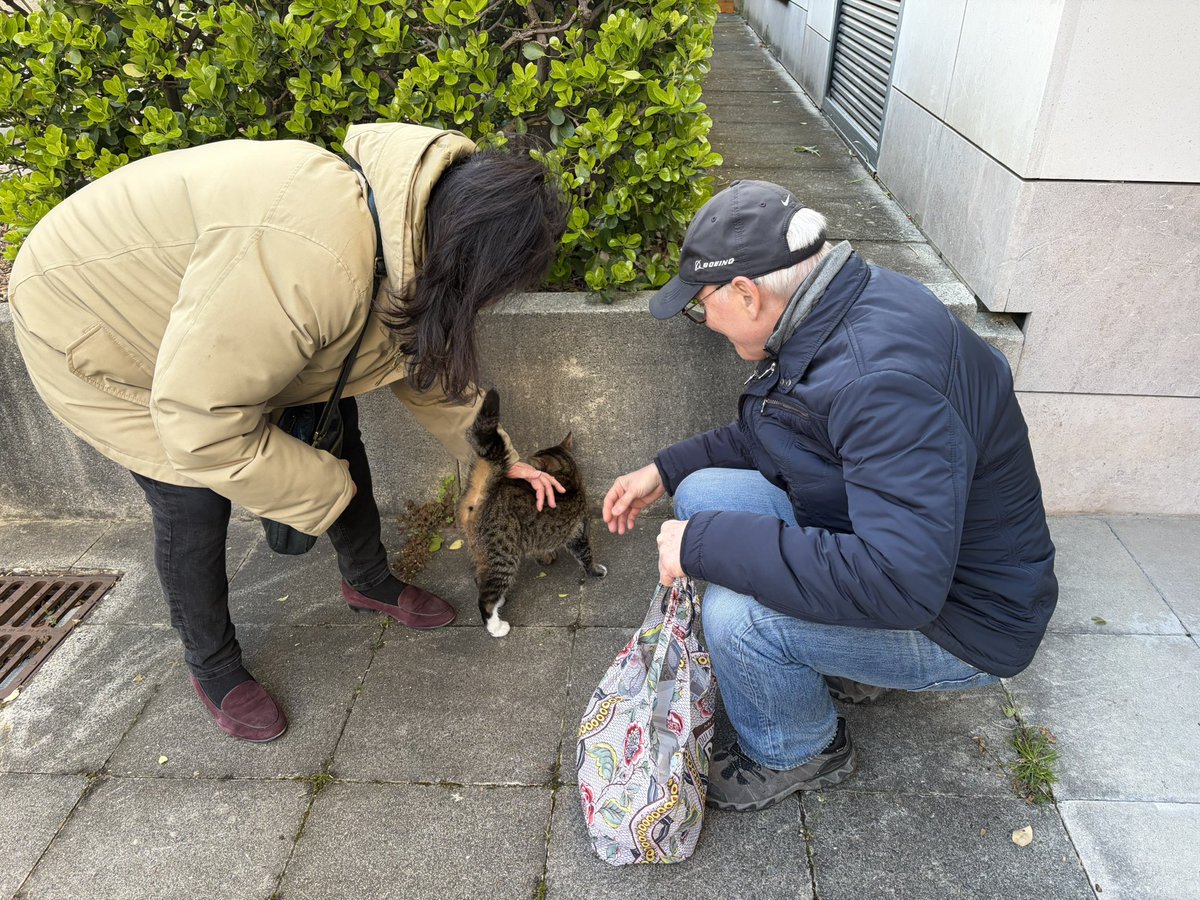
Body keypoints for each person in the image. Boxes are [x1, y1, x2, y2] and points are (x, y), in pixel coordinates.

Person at [9, 123, 568, 742]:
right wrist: (323, 488)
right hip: (94, 326)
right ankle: (212, 663)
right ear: (468, 258)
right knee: (191, 495)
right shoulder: (310, 266)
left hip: (211, 325)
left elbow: (418, 360)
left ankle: (368, 581)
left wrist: (503, 459)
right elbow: (199, 424)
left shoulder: (404, 230)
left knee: (330, 424)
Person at [602, 180, 1057, 812]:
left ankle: (799, 749)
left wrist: (707, 545)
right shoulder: (843, 304)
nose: (704, 321)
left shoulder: (879, 383)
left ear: (746, 293)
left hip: (966, 616)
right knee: (702, 492)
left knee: (736, 619)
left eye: (700, 306)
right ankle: (842, 664)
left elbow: (899, 582)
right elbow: (786, 430)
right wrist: (666, 469)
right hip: (915, 551)